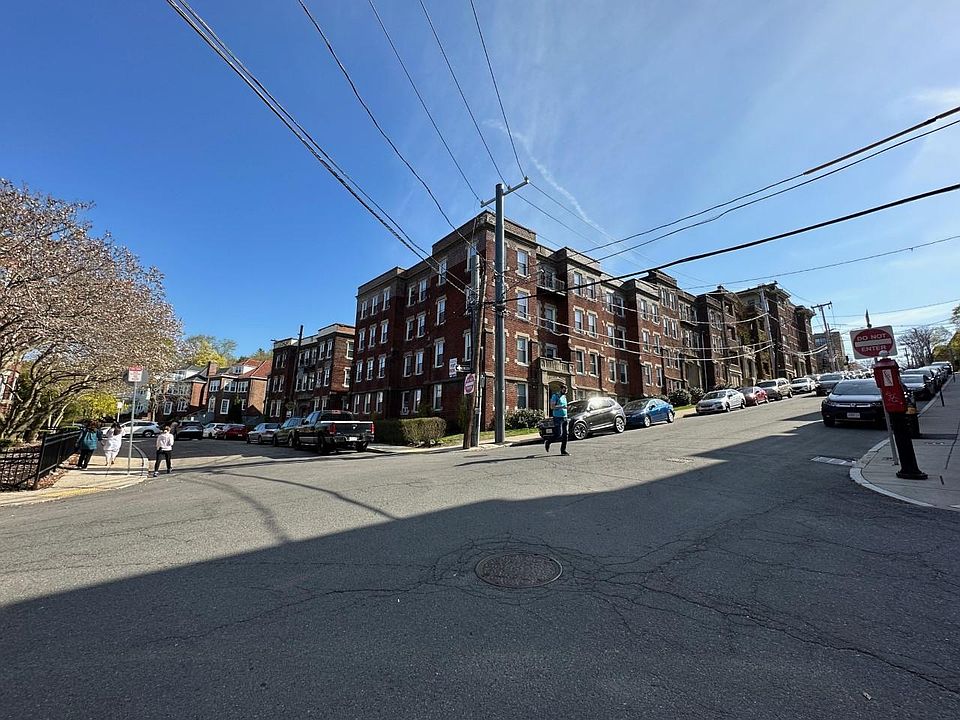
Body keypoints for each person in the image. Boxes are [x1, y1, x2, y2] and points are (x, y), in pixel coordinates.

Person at [545, 383, 570, 456]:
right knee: (558, 434)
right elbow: (552, 407)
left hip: (565, 417)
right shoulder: (555, 396)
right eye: (564, 390)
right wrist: (562, 407)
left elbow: (564, 406)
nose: (565, 392)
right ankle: (548, 442)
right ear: (561, 389)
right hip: (557, 417)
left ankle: (563, 451)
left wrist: (567, 408)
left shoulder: (564, 397)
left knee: (566, 435)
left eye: (566, 391)